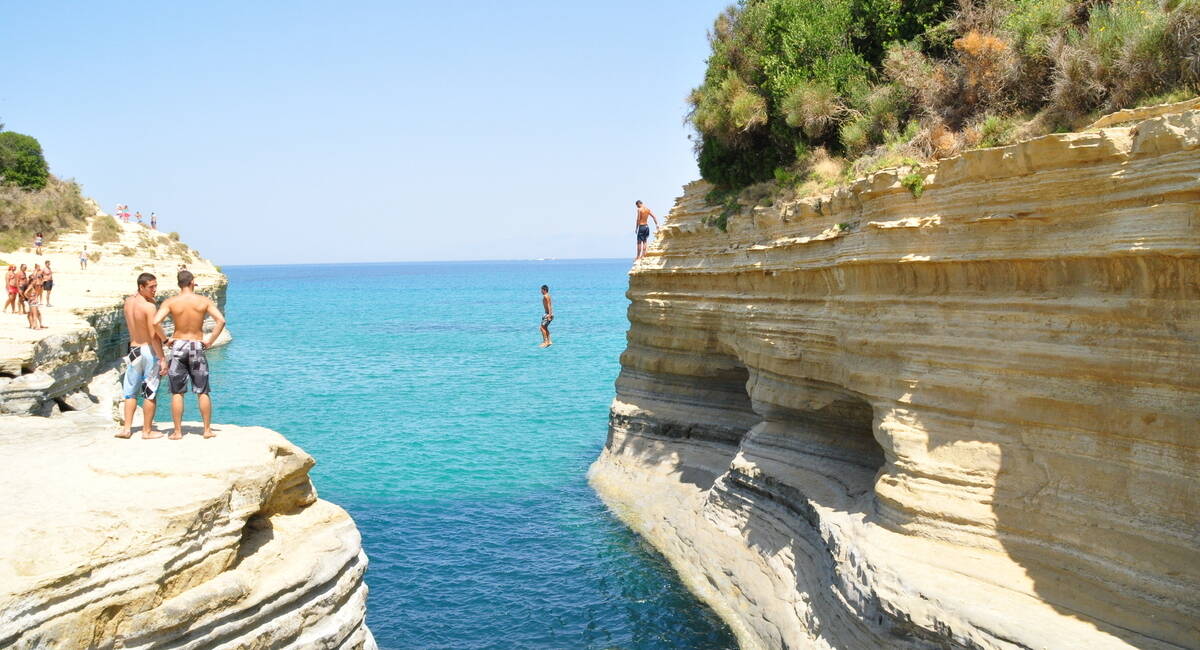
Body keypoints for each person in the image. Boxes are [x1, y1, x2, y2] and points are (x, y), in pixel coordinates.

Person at [154, 270, 226, 439]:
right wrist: (210, 341)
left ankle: (178, 432)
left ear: (179, 284)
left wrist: (165, 340)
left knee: (177, 392)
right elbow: (221, 321)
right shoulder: (203, 301)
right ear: (192, 282)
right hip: (196, 344)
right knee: (202, 391)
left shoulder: (171, 302)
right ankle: (207, 430)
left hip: (178, 345)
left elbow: (155, 322)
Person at [116, 273, 168, 439]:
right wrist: (162, 359)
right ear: (141, 287)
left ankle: (126, 429)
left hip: (133, 350)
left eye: (155, 286)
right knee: (149, 392)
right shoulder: (149, 307)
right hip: (148, 351)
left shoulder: (129, 302)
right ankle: (146, 431)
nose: (155, 290)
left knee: (130, 392)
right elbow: (153, 336)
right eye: (151, 287)